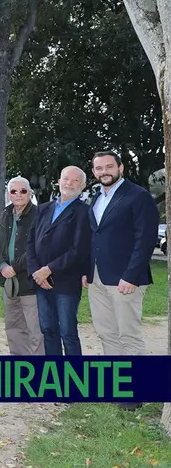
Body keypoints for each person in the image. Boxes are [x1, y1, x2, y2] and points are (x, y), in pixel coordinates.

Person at [86, 151, 158, 410]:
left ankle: (135, 394)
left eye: (108, 166)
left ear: (121, 168)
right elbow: (94, 237)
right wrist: (87, 271)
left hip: (125, 279)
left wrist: (131, 275)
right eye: (98, 168)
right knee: (107, 333)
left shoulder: (137, 196)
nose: (104, 171)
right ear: (93, 172)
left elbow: (145, 238)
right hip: (97, 278)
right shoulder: (97, 196)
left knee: (129, 335)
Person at [28, 166, 90, 356]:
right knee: (48, 330)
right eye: (66, 179)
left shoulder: (83, 212)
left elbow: (78, 249)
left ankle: (75, 380)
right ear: (59, 181)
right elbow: (30, 242)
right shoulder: (43, 208)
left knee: (67, 333)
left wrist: (49, 269)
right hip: (41, 281)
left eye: (75, 180)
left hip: (66, 281)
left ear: (83, 185)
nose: (69, 183)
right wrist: (36, 272)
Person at [0, 177, 44, 356]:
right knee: (13, 327)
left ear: (30, 193)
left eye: (23, 191)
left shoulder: (39, 215)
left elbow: (39, 246)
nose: (18, 194)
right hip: (9, 282)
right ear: (8, 194)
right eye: (13, 191)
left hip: (30, 280)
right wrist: (2, 266)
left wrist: (15, 266)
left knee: (35, 329)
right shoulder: (4, 214)